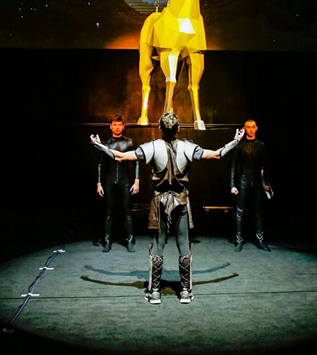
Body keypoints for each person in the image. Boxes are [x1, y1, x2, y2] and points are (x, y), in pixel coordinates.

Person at [91, 111, 242, 304]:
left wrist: (99, 145)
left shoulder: (152, 147)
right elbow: (216, 154)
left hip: (160, 201)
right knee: (183, 244)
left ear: (160, 128)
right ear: (178, 128)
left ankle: (155, 292)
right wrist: (235, 141)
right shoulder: (187, 147)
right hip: (180, 200)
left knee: (158, 245)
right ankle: (185, 291)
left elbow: (120, 156)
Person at [96, 115, 140, 252]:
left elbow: (137, 161)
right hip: (109, 181)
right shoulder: (105, 143)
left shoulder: (129, 142)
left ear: (123, 126)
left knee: (127, 211)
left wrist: (137, 181)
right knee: (109, 211)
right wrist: (99, 183)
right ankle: (107, 240)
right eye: (114, 124)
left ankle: (130, 240)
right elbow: (100, 164)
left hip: (124, 180)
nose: (117, 127)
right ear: (111, 126)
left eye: (119, 124)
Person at [230, 119, 272, 251]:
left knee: (258, 212)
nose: (251, 129)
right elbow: (234, 166)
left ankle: (260, 240)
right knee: (240, 212)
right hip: (243, 181)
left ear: (256, 128)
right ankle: (239, 241)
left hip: (257, 182)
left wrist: (267, 183)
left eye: (253, 127)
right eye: (248, 127)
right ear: (244, 129)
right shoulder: (239, 146)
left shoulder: (261, 145)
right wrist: (232, 185)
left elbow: (265, 166)